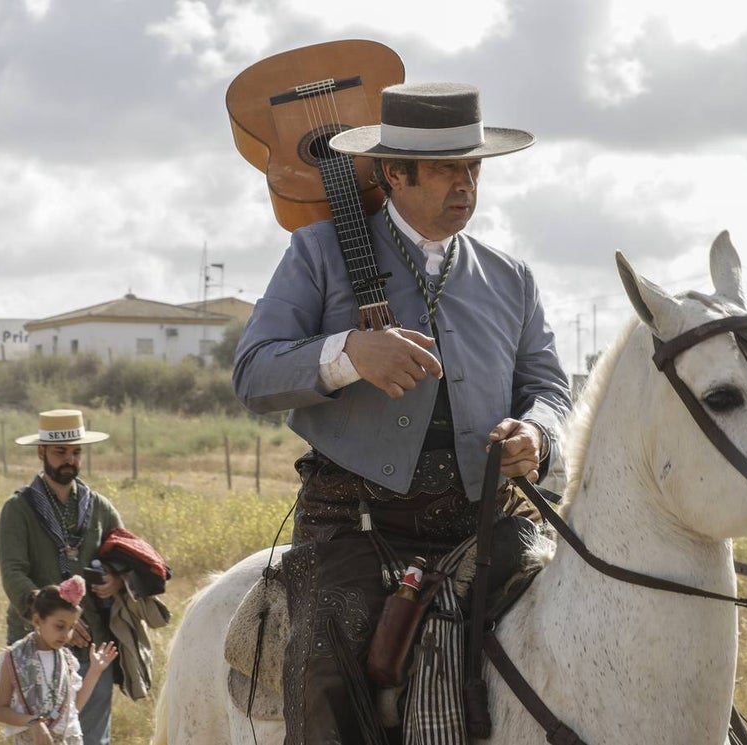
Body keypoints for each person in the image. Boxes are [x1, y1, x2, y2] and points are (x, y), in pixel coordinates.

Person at [232, 82, 572, 744]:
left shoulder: (512, 278)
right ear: (393, 173)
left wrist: (537, 432)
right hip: (355, 523)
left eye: (473, 168)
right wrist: (350, 353)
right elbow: (253, 372)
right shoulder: (320, 252)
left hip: (486, 518)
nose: (466, 184)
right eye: (447, 169)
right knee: (327, 679)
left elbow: (550, 386)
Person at [0, 410, 125, 745]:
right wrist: (56, 619)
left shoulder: (100, 507)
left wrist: (115, 580)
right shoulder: (18, 509)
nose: (69, 460)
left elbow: (125, 557)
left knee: (92, 738)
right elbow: (13, 573)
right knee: (40, 736)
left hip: (92, 642)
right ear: (41, 452)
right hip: (36, 645)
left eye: (76, 452)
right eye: (60, 452)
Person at [0, 577, 119, 745]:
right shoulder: (14, 658)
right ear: (38, 621)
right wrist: (33, 722)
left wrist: (94, 671)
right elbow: (0, 711)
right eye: (60, 626)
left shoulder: (67, 661)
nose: (66, 635)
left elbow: (73, 708)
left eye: (72, 627)